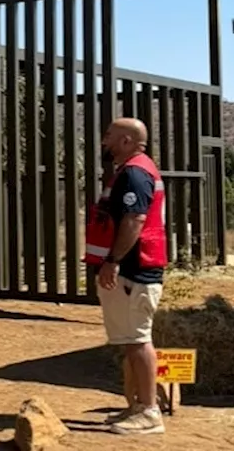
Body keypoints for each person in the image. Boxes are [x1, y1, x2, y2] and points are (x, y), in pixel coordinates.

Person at [86, 117, 167, 436]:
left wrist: (113, 261)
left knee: (137, 341)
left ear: (127, 141)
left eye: (108, 136)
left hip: (134, 271)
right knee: (131, 341)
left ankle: (148, 412)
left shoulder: (134, 172)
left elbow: (134, 219)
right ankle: (138, 406)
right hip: (132, 271)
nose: (104, 141)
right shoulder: (132, 169)